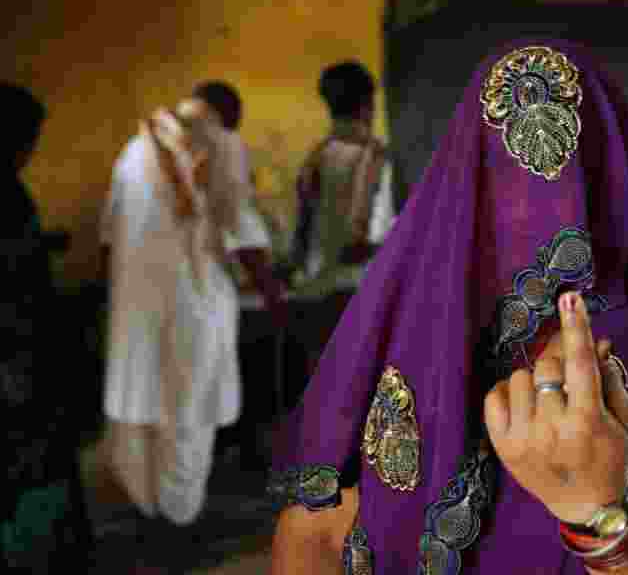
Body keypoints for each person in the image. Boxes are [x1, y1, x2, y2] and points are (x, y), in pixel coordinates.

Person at [268, 42, 628, 574]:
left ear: (615, 168)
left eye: (570, 155)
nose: (542, 190)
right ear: (466, 179)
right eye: (503, 163)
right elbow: (313, 534)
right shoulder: (401, 323)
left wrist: (607, 512)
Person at [99, 81, 285, 572]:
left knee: (149, 419)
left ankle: (151, 520)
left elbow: (107, 241)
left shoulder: (134, 149)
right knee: (190, 423)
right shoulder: (219, 143)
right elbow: (245, 239)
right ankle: (178, 535)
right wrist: (275, 298)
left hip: (136, 313)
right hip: (193, 316)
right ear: (229, 115)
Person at [1, 82, 94, 571]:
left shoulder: (12, 190)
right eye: (29, 139)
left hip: (22, 348)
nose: (32, 151)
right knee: (33, 462)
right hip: (16, 354)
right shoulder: (6, 192)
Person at [287, 62, 395, 371]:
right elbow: (376, 234)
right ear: (368, 104)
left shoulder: (315, 157)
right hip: (357, 287)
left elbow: (301, 232)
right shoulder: (376, 157)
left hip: (314, 286)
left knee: (321, 381)